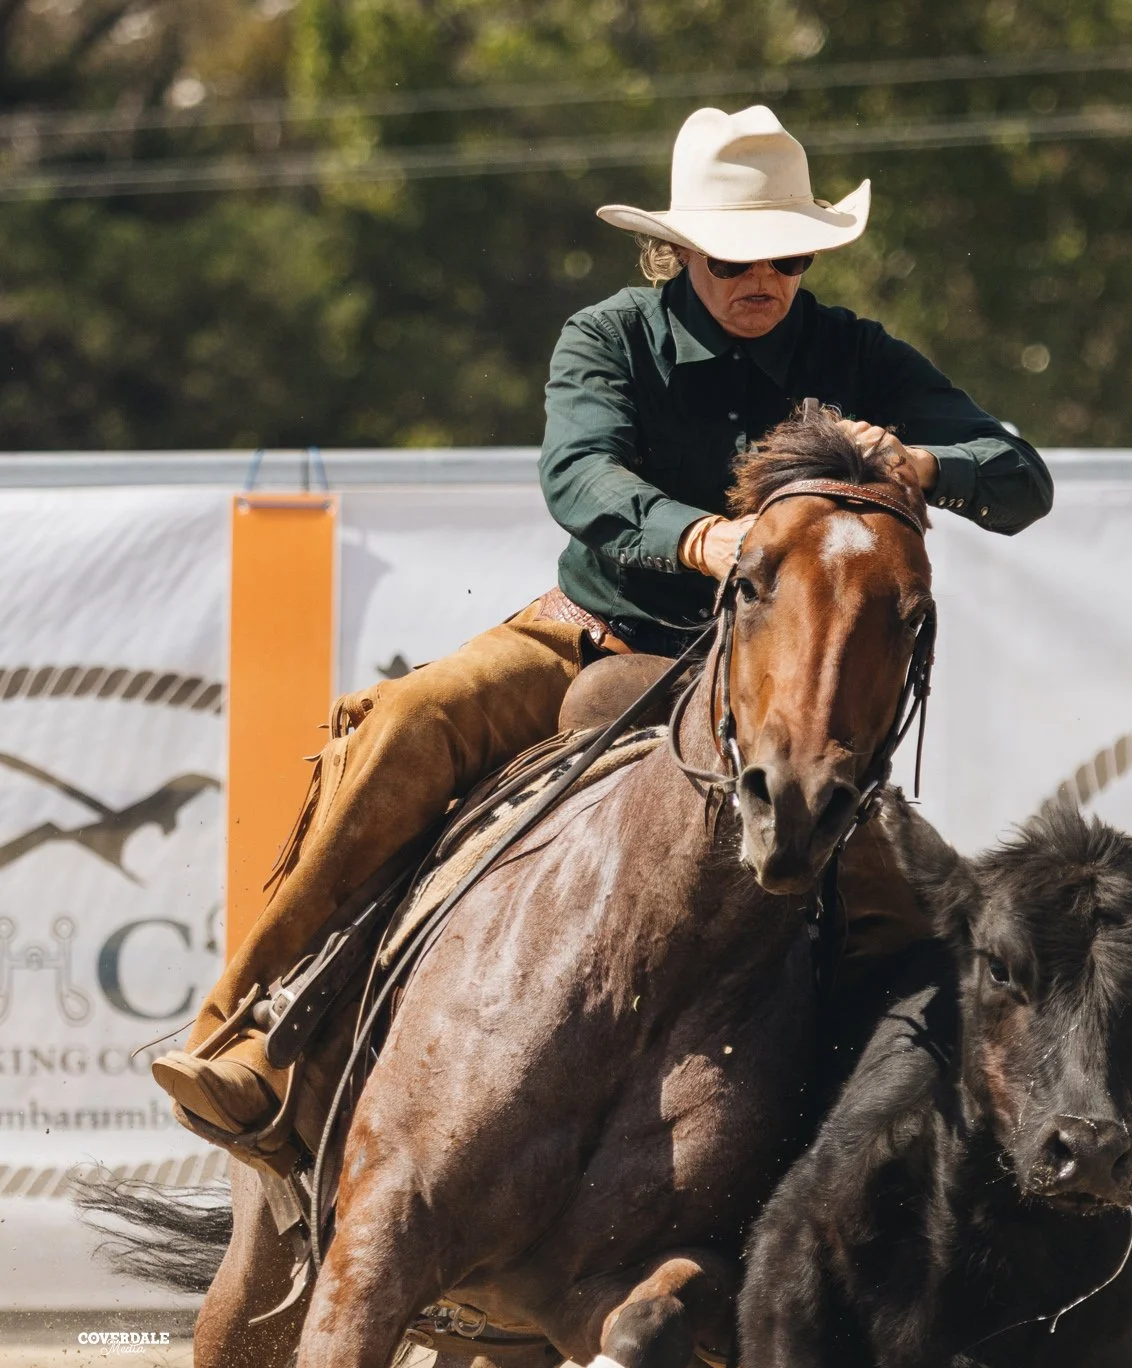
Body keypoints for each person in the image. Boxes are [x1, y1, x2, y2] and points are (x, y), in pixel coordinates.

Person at [152, 104, 1052, 1150]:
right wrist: (698, 541)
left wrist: (925, 463)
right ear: (679, 251)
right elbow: (579, 476)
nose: (764, 279)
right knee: (406, 722)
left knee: (903, 902)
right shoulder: (608, 334)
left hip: (770, 693)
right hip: (598, 632)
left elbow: (1020, 476)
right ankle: (252, 1024)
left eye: (790, 256)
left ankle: (893, 1148)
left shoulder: (853, 351)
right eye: (734, 256)